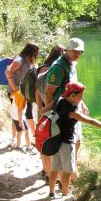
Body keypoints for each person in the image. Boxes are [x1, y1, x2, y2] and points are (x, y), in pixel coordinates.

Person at [48, 82, 101, 200]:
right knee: (67, 170)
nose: (82, 98)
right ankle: (65, 194)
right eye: (81, 96)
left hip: (54, 140)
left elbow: (46, 110)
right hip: (66, 143)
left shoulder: (60, 100)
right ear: (73, 95)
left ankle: (51, 193)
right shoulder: (72, 112)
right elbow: (90, 121)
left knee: (54, 168)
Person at [45, 38, 87, 179]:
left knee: (77, 141)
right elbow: (49, 91)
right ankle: (66, 176)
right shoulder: (58, 67)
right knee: (66, 144)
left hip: (74, 109)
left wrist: (82, 103)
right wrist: (51, 114)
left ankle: (70, 172)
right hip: (62, 112)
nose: (78, 54)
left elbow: (76, 87)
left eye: (80, 52)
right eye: (75, 51)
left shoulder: (72, 64)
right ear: (67, 50)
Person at [35, 44, 65, 178]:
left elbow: (37, 91)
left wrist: (40, 109)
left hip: (43, 111)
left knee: (45, 140)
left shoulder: (43, 69)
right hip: (48, 112)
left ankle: (45, 169)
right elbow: (43, 92)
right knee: (50, 141)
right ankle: (49, 173)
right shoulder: (51, 71)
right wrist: (45, 109)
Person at [5, 42, 39, 151]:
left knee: (18, 114)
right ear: (31, 51)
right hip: (15, 92)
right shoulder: (19, 60)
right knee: (17, 115)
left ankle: (15, 138)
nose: (37, 54)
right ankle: (16, 139)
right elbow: (7, 71)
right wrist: (14, 87)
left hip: (23, 92)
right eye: (36, 52)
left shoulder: (27, 59)